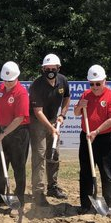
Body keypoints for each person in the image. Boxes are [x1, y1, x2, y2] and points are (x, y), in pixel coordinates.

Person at [73, 65, 111, 215]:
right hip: (87, 137)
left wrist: (97, 131)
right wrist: (80, 106)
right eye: (92, 84)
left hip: (105, 138)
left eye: (98, 84)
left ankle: (109, 205)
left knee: (106, 173)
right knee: (86, 172)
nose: (94, 87)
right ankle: (85, 204)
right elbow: (75, 113)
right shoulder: (86, 94)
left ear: (104, 81)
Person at [28, 53, 71, 206]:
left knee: (54, 154)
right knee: (39, 156)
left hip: (54, 120)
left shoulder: (63, 81)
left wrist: (62, 115)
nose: (51, 70)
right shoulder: (37, 85)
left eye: (53, 68)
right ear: (43, 69)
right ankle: (38, 192)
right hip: (38, 122)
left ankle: (52, 187)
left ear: (58, 68)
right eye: (47, 68)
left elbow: (67, 98)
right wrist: (51, 129)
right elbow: (37, 112)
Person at [0, 61, 30, 208]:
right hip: (2, 130)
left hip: (19, 132)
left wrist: (4, 134)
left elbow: (19, 118)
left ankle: (19, 198)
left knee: (18, 166)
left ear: (17, 78)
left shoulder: (21, 93)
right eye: (5, 80)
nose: (7, 83)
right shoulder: (2, 88)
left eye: (10, 81)